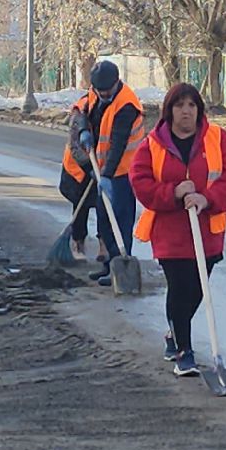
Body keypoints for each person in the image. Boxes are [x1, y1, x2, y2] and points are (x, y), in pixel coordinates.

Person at [131, 83, 226, 375]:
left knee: (196, 291)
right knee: (179, 289)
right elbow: (140, 182)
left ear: (199, 110)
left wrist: (207, 199)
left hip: (207, 232)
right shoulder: (152, 145)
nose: (186, 111)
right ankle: (184, 352)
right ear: (170, 110)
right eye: (179, 105)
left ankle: (174, 334)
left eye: (191, 105)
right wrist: (174, 192)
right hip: (170, 233)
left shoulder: (218, 139)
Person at [59, 60, 146, 285]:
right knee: (105, 220)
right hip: (104, 169)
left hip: (123, 171)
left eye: (107, 91)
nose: (104, 95)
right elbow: (83, 111)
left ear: (117, 82)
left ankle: (120, 265)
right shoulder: (95, 93)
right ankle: (109, 265)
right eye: (100, 91)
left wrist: (106, 176)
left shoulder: (126, 105)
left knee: (120, 220)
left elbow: (117, 145)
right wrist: (84, 130)